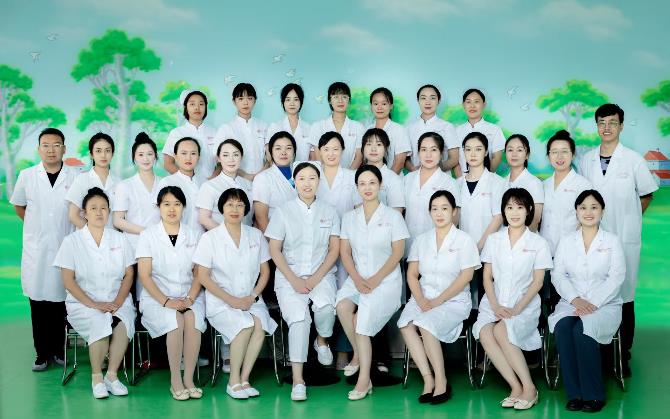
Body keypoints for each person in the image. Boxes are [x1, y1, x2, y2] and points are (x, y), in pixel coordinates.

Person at [578, 104, 657, 376]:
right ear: (597, 126)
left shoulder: (634, 160)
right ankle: (600, 351)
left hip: (624, 239)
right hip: (593, 239)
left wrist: (630, 219)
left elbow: (646, 195)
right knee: (596, 292)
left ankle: (623, 354)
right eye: (602, 122)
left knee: (624, 295)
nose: (607, 127)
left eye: (612, 122)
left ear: (621, 126)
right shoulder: (587, 160)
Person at [266, 162, 340, 401]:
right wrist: (294, 279)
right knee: (299, 319)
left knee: (326, 307)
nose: (307, 183)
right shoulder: (283, 211)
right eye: (302, 178)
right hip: (289, 276)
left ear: (319, 182)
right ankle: (298, 380)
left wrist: (316, 277)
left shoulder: (330, 211)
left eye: (312, 178)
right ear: (294, 182)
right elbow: (274, 249)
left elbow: (334, 249)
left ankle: (322, 341)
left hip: (322, 273)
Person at [473, 188, 553, 410]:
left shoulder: (538, 243)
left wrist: (516, 309)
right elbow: (487, 277)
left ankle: (530, 388)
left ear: (529, 210)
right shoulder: (494, 240)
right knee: (485, 332)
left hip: (524, 305)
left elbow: (538, 282)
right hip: (494, 302)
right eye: (509, 207)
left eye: (519, 207)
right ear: (504, 211)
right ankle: (515, 387)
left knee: (501, 330)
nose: (514, 212)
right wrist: (495, 305)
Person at [193, 188, 277, 400]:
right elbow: (202, 276)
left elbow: (265, 271)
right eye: (230, 204)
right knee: (244, 326)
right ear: (221, 208)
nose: (235, 209)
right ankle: (233, 382)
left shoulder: (256, 235)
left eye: (240, 205)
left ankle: (244, 379)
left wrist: (253, 296)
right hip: (221, 301)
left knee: (260, 326)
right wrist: (231, 300)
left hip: (251, 298)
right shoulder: (210, 238)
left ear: (246, 209)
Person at [398, 190, 480, 405]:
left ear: (454, 212)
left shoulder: (464, 240)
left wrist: (438, 300)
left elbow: (466, 276)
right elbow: (412, 274)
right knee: (405, 324)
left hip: (453, 301)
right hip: (423, 297)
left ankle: (442, 380)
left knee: (425, 324)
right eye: (434, 209)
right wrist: (421, 300)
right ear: (429, 212)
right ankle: (428, 379)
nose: (439, 213)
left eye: (444, 208)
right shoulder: (422, 240)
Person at [53, 187, 136, 399]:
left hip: (117, 300)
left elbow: (129, 274)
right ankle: (97, 378)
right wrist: (94, 304)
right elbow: (68, 281)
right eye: (93, 208)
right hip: (82, 303)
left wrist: (118, 301)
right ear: (84, 213)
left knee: (123, 323)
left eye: (103, 208)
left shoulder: (120, 239)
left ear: (109, 212)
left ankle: (112, 376)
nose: (99, 212)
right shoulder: (72, 242)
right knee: (99, 322)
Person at [336, 165, 409, 400]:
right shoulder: (350, 218)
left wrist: (376, 278)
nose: (367, 188)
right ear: (357, 188)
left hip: (386, 281)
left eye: (372, 183)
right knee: (342, 307)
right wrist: (357, 279)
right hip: (358, 278)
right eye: (362, 184)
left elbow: (398, 252)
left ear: (380, 186)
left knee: (361, 321)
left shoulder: (393, 216)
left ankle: (364, 380)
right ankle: (358, 353)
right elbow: (345, 252)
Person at [549, 190, 625, 413]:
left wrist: (593, 303)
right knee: (563, 328)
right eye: (583, 207)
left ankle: (593, 395)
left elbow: (617, 276)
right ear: (576, 211)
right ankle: (574, 394)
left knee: (582, 330)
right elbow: (558, 274)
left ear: (602, 211)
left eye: (594, 207)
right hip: (571, 302)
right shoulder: (566, 241)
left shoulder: (612, 241)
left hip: (605, 304)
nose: (588, 212)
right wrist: (575, 299)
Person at [10, 128, 79, 370]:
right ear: (39, 149)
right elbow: (19, 206)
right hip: (37, 250)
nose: (51, 150)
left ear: (64, 149)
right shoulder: (27, 176)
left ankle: (59, 351)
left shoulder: (75, 176)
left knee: (61, 302)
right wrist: (36, 228)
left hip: (64, 246)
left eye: (56, 145)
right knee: (38, 302)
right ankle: (41, 353)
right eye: (46, 145)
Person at [136, 186, 205, 401]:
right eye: (166, 204)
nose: (172, 209)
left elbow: (199, 273)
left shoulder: (195, 235)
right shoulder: (148, 235)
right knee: (175, 320)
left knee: (193, 319)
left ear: (184, 207)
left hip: (190, 295)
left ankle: (189, 379)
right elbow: (145, 275)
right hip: (157, 298)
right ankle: (176, 379)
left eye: (177, 204)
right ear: (159, 207)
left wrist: (190, 298)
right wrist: (166, 301)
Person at [403, 132, 459, 253]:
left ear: (441, 153)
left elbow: (454, 220)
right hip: (407, 246)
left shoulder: (449, 183)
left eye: (433, 150)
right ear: (418, 153)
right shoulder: (407, 179)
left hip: (435, 248)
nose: (428, 155)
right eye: (423, 150)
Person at [540, 130, 592, 255]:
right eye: (554, 152)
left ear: (573, 155)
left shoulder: (583, 185)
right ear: (548, 156)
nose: (559, 157)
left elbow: (588, 220)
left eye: (564, 151)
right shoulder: (543, 185)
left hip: (571, 252)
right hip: (544, 251)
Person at [113, 132, 161, 258]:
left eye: (150, 154)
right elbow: (117, 220)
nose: (146, 159)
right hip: (133, 246)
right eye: (141, 154)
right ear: (134, 158)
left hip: (160, 244)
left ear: (155, 156)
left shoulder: (164, 184)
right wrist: (146, 232)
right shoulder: (125, 185)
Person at [457, 132, 505, 252]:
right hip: (463, 248)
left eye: (478, 149)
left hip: (490, 249)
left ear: (486, 152)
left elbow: (498, 217)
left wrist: (478, 247)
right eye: (468, 149)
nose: (473, 154)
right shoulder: (457, 183)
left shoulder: (497, 182)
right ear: (464, 152)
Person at [197, 139, 254, 229]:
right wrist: (227, 235)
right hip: (220, 236)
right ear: (218, 158)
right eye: (225, 155)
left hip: (247, 235)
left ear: (241, 157)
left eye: (235, 155)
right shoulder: (209, 186)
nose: (231, 159)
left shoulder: (249, 185)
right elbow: (204, 219)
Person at [215, 83, 268, 179]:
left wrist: (260, 176)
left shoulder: (264, 126)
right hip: (235, 178)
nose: (245, 103)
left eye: (250, 98)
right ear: (234, 102)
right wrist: (245, 175)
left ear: (255, 101)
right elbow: (218, 158)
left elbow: (270, 156)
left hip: (262, 177)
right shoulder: (225, 129)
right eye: (240, 99)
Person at [66, 133, 119, 229]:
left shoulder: (119, 182)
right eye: (98, 151)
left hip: (112, 236)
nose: (103, 155)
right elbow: (73, 215)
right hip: (86, 237)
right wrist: (94, 234)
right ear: (91, 154)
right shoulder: (81, 180)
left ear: (112, 153)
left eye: (107, 151)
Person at [308, 82, 364, 169]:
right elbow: (317, 157)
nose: (340, 100)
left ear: (349, 100)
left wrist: (348, 174)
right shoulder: (318, 126)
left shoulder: (358, 127)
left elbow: (359, 157)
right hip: (324, 174)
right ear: (330, 100)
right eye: (336, 97)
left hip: (350, 174)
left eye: (344, 97)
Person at [162, 90, 217, 179]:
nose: (197, 108)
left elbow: (221, 162)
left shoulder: (214, 132)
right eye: (192, 104)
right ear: (186, 108)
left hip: (211, 183)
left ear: (206, 108)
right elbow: (168, 164)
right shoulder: (176, 133)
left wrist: (213, 179)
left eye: (201, 104)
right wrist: (187, 180)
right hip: (184, 184)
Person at [406, 84, 459, 172]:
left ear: (439, 100)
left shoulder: (447, 127)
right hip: (416, 176)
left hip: (441, 177)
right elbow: (405, 158)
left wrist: (436, 171)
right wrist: (413, 169)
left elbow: (454, 158)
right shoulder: (409, 128)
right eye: (423, 98)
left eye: (432, 98)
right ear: (418, 101)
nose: (428, 102)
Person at [252, 131, 298, 232]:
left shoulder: (301, 174)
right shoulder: (262, 178)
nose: (283, 152)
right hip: (275, 235)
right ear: (271, 152)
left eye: (288, 148)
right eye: (278, 148)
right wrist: (273, 240)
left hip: (299, 234)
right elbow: (260, 217)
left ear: (294, 152)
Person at [157, 137, 204, 233]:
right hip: (176, 237)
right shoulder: (167, 182)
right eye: (184, 153)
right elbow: (158, 216)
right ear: (175, 156)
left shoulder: (205, 183)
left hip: (202, 237)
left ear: (199, 157)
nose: (188, 158)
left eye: (193, 153)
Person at [455, 89, 505, 176]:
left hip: (488, 178)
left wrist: (484, 177)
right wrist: (461, 179)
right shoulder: (456, 131)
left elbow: (497, 157)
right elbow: (455, 159)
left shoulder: (495, 130)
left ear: (484, 105)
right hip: (463, 178)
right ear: (463, 105)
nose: (472, 106)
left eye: (476, 101)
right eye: (468, 102)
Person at [366, 87, 412, 174]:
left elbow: (399, 163)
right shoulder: (368, 130)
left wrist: (386, 180)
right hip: (370, 179)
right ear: (371, 106)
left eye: (384, 104)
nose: (379, 107)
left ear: (391, 106)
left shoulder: (399, 130)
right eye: (376, 104)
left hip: (393, 179)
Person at [504, 134, 543, 231]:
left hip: (525, 238)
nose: (514, 154)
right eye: (510, 150)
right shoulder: (501, 182)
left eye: (519, 150)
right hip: (503, 236)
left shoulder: (534, 183)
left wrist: (522, 239)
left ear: (527, 155)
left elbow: (535, 219)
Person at [361, 128, 405, 211]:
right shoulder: (355, 176)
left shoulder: (394, 179)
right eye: (369, 144)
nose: (373, 149)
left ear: (386, 149)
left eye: (379, 144)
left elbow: (396, 214)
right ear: (363, 148)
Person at [267, 83, 312, 162]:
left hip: (303, 169)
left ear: (301, 102)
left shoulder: (310, 128)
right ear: (283, 103)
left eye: (296, 99)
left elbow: (313, 158)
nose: (292, 103)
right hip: (280, 170)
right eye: (288, 99)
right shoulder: (274, 127)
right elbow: (270, 158)